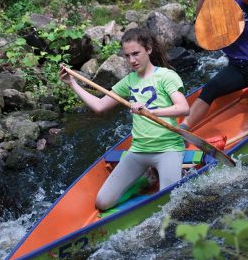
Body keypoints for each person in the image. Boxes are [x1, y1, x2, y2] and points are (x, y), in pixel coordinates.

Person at [59, 28, 189, 210]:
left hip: (168, 149)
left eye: (136, 54)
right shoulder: (129, 81)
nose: (132, 60)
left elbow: (183, 108)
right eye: (127, 56)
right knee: (102, 203)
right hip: (138, 151)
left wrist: (150, 111)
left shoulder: (166, 76)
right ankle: (145, 180)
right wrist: (72, 83)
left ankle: (177, 172)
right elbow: (99, 106)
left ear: (149, 49)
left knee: (169, 203)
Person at [180, 0, 248, 131]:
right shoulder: (215, 9)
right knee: (211, 88)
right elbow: (200, 18)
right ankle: (183, 129)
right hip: (239, 68)